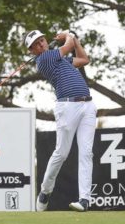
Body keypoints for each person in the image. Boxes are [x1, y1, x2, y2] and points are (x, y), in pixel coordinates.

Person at [24, 30, 97, 212]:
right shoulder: (44, 59)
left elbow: (84, 59)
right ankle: (45, 191)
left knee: (87, 153)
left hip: (87, 106)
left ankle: (84, 200)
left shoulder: (61, 59)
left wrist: (74, 39)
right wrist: (68, 35)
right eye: (36, 44)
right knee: (61, 153)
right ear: (32, 51)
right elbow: (69, 45)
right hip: (67, 108)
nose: (42, 44)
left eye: (42, 40)